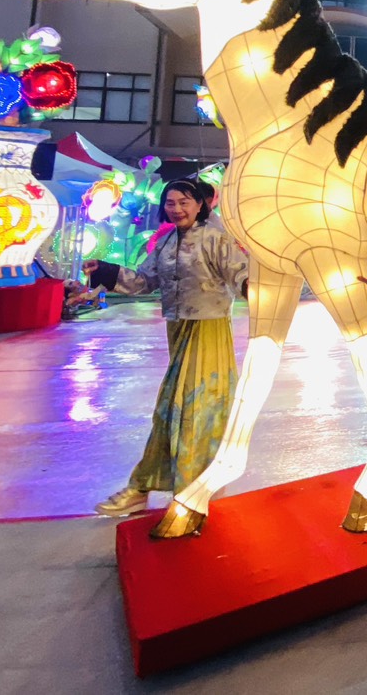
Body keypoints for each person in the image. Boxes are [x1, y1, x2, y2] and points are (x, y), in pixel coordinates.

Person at [85, 180, 248, 535]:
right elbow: (144, 281)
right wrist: (107, 270)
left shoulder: (215, 238)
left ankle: (186, 492)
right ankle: (159, 487)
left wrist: (263, 288)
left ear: (199, 204)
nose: (177, 209)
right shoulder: (166, 242)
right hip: (178, 329)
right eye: (171, 203)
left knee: (193, 408)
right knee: (173, 410)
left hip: (208, 329)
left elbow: (241, 275)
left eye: (184, 202)